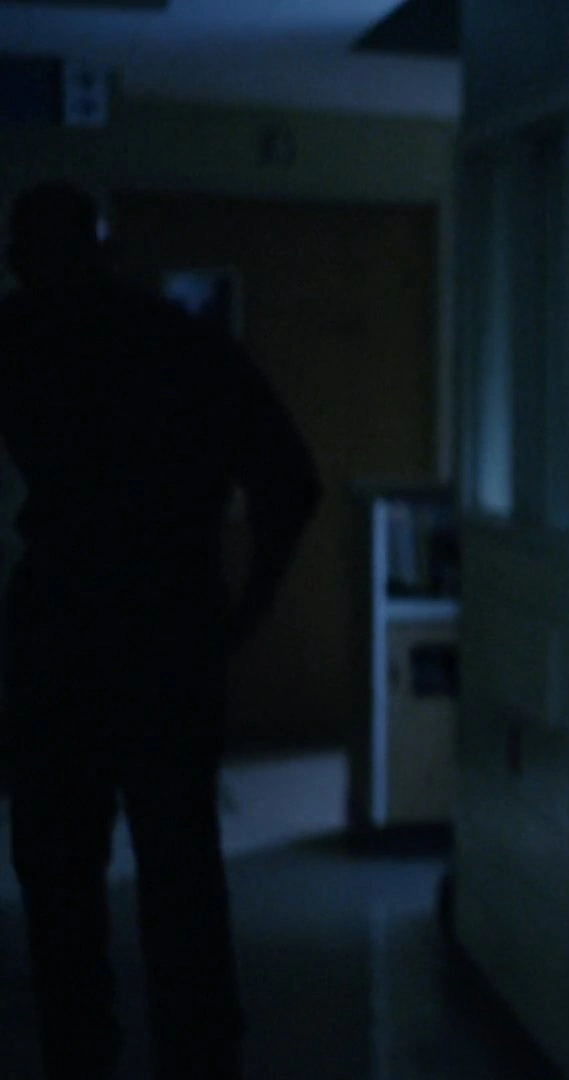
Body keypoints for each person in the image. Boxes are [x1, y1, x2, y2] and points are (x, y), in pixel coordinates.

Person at [0, 181, 322, 1080]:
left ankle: (82, 1054)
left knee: (61, 877)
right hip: (167, 628)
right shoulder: (182, 344)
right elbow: (290, 481)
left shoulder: (16, 338)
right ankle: (198, 1053)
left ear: (20, 259)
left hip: (62, 628)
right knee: (179, 866)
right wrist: (248, 606)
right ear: (104, 252)